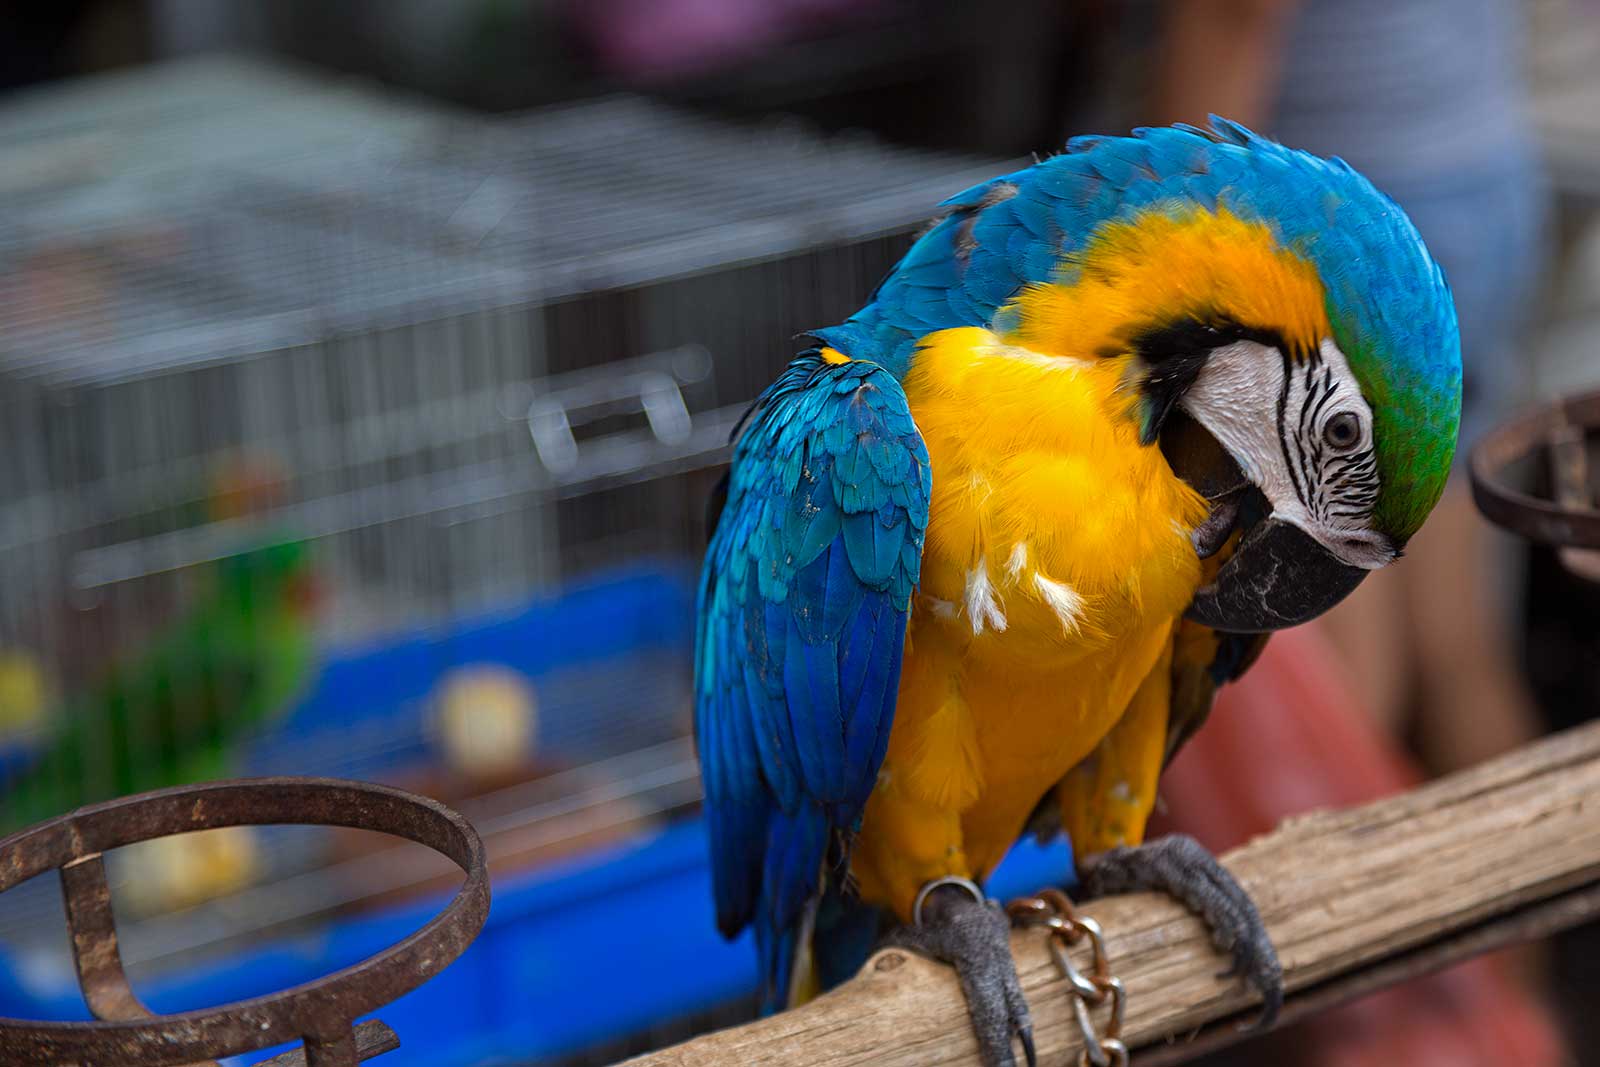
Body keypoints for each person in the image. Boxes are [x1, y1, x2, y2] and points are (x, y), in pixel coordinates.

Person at [1149, 0, 1550, 781]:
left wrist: (1167, 260)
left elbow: (1234, 14)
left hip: (1336, 239)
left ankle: (1368, 887)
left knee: (1343, 666)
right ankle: (1545, 889)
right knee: (1452, 637)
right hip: (1477, 169)